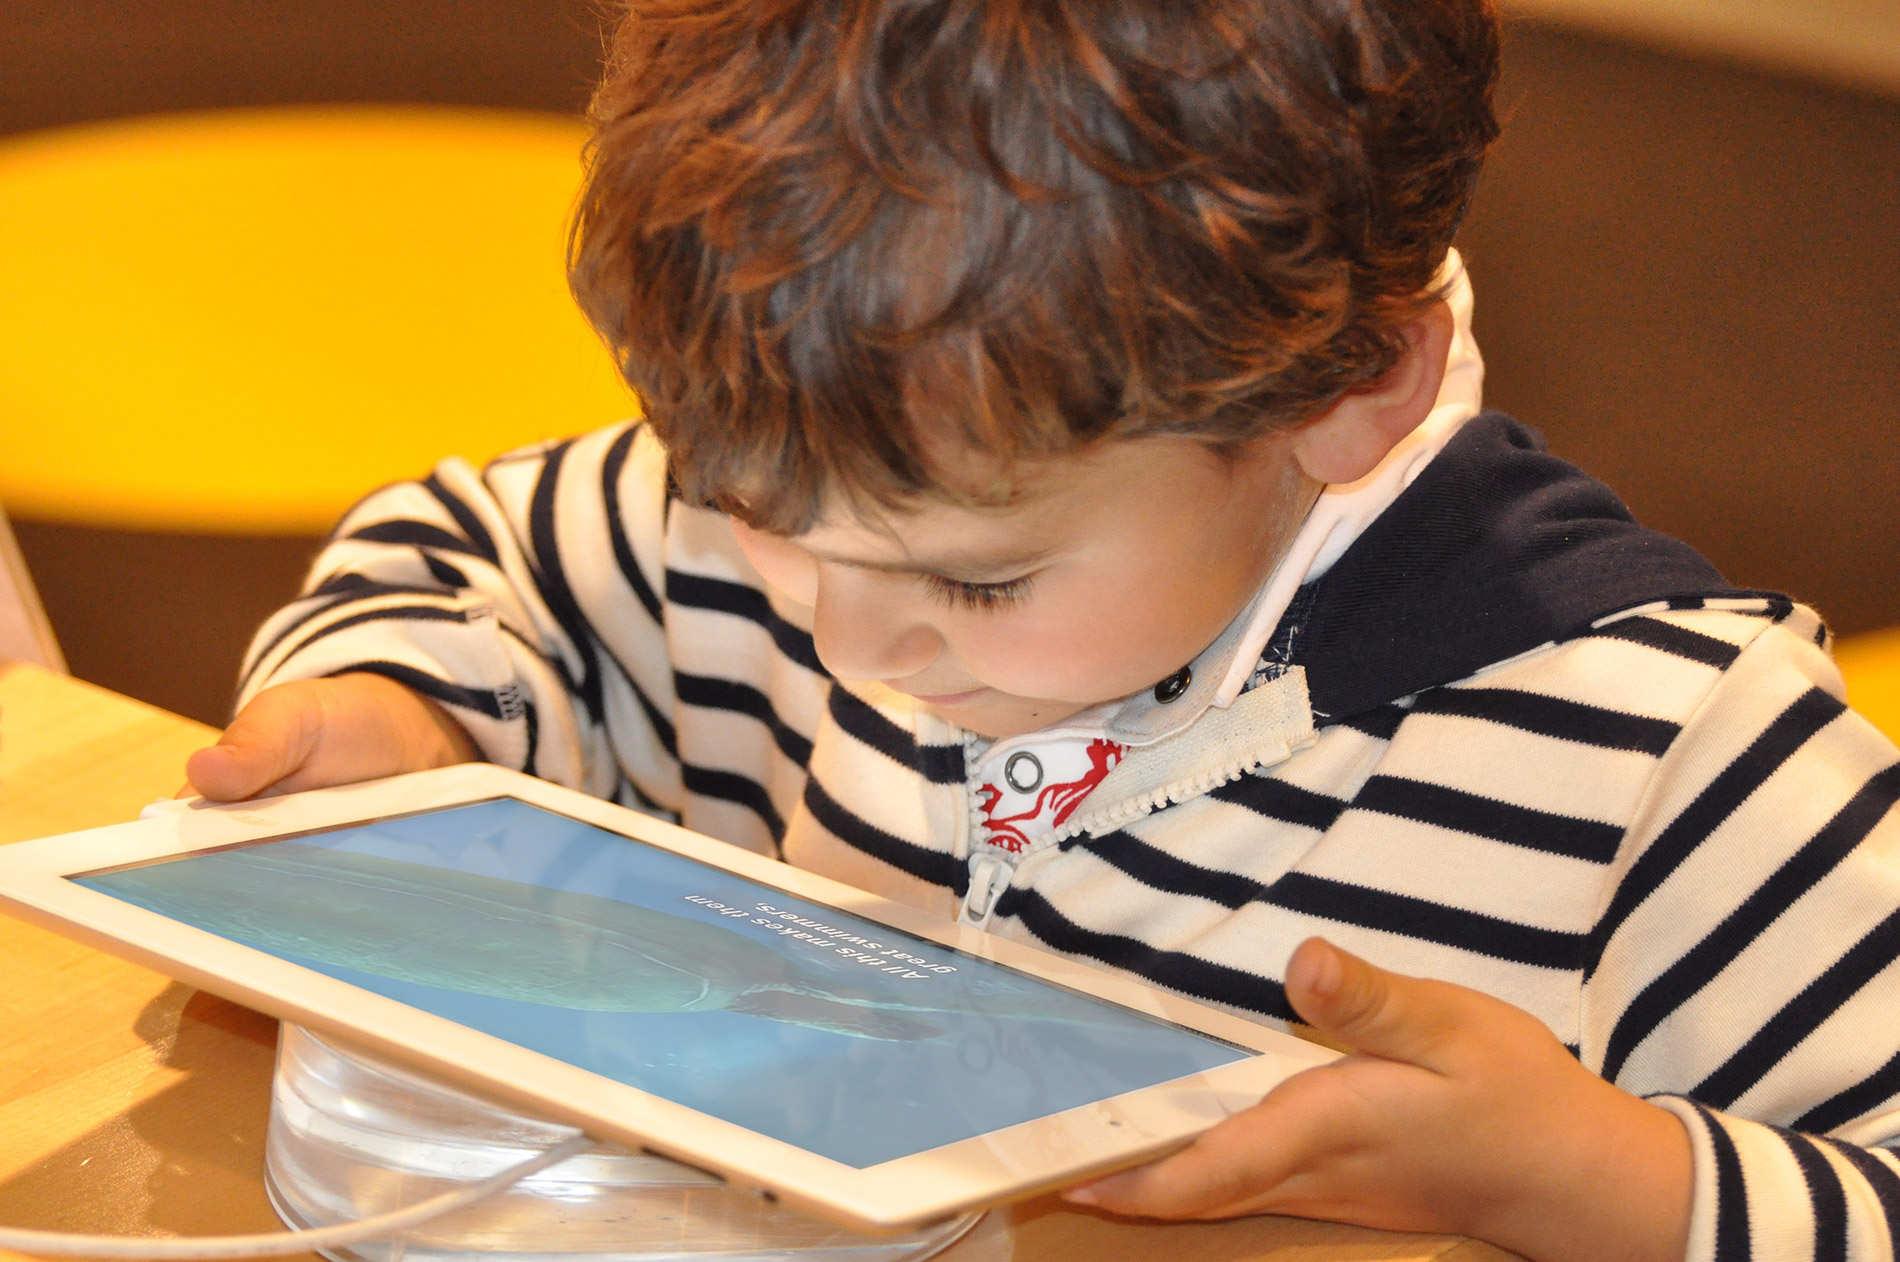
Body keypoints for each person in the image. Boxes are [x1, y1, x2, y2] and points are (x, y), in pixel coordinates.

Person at [186, 1, 1900, 1258]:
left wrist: (1589, 1180)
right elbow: (486, 559)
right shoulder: (861, 485)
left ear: (1350, 389)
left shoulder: (1665, 746)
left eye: (981, 584)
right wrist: (398, 705)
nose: (853, 640)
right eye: (765, 524)